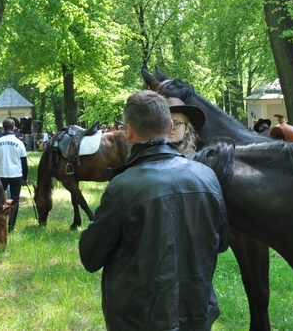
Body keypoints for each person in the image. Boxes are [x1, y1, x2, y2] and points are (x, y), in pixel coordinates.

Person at [79, 90, 230, 331]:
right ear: (170, 127)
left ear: (128, 131)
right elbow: (221, 242)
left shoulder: (122, 187)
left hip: (138, 320)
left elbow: (90, 256)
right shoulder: (207, 177)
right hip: (197, 313)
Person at [0, 118, 28, 232]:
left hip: (1, 174)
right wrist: (25, 177)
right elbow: (24, 162)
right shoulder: (19, 143)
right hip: (16, 175)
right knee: (15, 200)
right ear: (14, 128)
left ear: (3, 128)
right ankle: (11, 226)